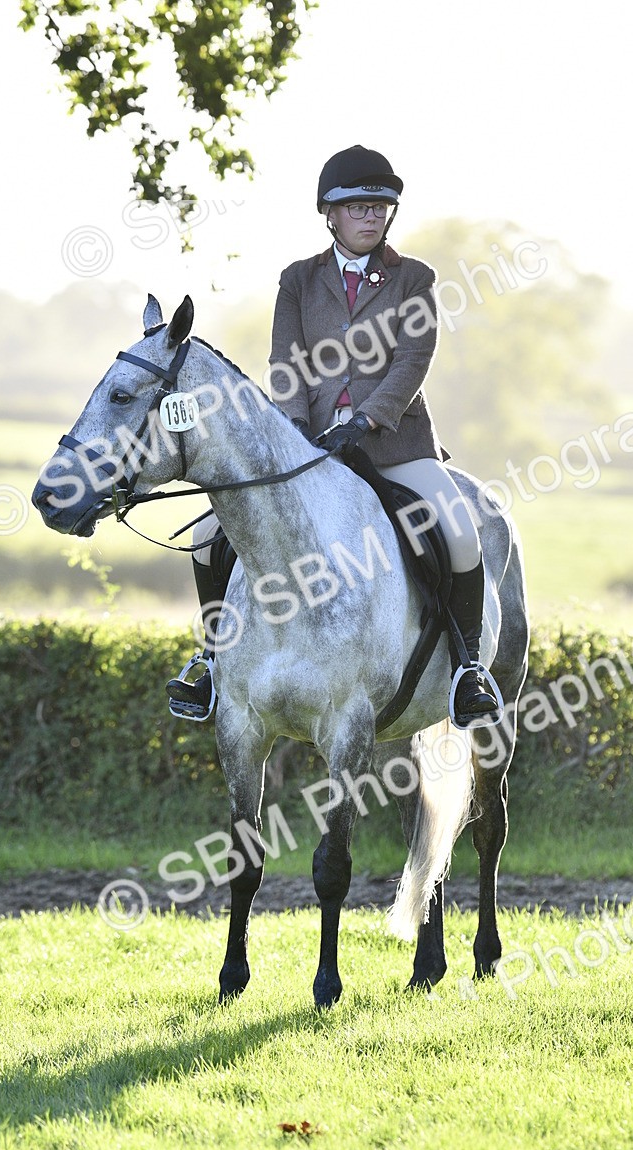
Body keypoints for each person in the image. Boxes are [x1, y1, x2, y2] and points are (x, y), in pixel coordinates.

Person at [167, 145, 497, 727]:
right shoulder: (298, 281)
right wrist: (294, 430)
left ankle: (468, 670)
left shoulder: (414, 278)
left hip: (394, 445)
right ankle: (215, 661)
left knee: (461, 534)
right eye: (359, 206)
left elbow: (413, 360)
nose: (372, 215)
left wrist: (366, 420)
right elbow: (285, 362)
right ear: (330, 213)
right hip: (310, 450)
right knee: (206, 535)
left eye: (381, 206)